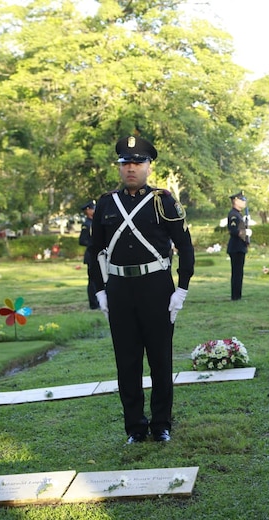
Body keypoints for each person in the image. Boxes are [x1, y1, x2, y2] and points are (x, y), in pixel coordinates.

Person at [89, 135, 195, 444]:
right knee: (127, 361)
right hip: (120, 288)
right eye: (126, 164)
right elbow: (95, 251)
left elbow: (185, 247)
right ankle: (135, 427)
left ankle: (161, 424)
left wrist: (182, 289)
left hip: (156, 288)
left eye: (138, 163)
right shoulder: (106, 203)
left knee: (160, 359)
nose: (131, 169)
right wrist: (100, 291)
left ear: (149, 166)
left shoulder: (164, 201)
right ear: (119, 168)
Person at [227, 191, 250, 301]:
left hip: (240, 246)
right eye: (242, 200)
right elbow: (233, 230)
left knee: (239, 273)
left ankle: (237, 295)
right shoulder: (233, 214)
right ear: (235, 201)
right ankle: (235, 296)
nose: (244, 202)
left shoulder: (238, 214)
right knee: (237, 273)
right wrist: (245, 233)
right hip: (236, 247)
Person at [78, 200, 99, 310]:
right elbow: (82, 241)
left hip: (99, 255)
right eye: (92, 209)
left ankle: (100, 301)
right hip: (91, 255)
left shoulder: (96, 222)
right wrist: (92, 243)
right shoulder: (87, 224)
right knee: (92, 281)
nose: (94, 211)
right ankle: (93, 304)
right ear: (88, 210)